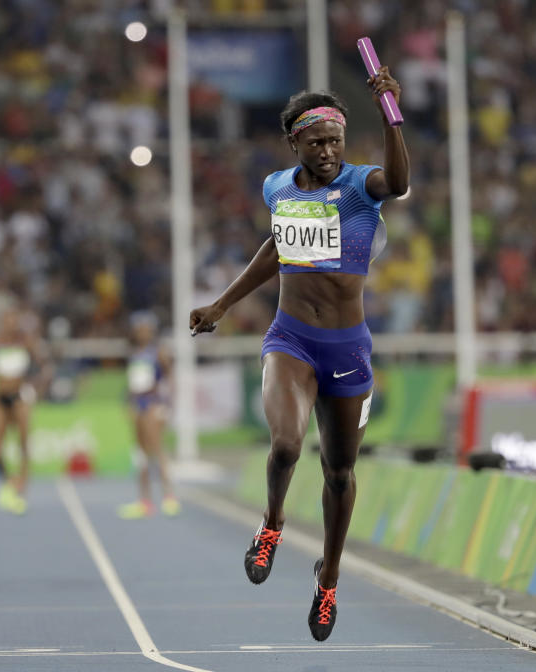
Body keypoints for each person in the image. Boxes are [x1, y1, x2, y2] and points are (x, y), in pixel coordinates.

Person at [189, 67, 409, 641]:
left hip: (348, 349)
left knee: (339, 472)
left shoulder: (361, 185)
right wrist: (221, 304)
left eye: (335, 140)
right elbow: (278, 249)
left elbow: (402, 182)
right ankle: (272, 523)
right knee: (286, 443)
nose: (329, 151)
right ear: (294, 144)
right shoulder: (277, 188)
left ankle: (329, 577)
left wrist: (390, 113)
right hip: (290, 339)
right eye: (316, 143)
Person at [117, 312, 179, 519]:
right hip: (137, 405)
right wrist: (128, 403)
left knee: (157, 449)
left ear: (151, 331)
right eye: (139, 329)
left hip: (153, 404)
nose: (142, 332)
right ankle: (144, 500)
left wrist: (168, 404)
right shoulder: (134, 353)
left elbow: (170, 378)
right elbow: (132, 382)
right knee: (141, 454)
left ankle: (169, 496)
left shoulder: (157, 352)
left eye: (146, 329)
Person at [0, 305, 49, 515]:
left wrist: (34, 389)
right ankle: (8, 483)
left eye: (14, 319)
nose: (10, 323)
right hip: (0, 398)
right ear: (2, 321)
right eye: (7, 319)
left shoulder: (26, 342)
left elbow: (44, 368)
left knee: (23, 442)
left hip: (21, 397)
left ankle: (22, 487)